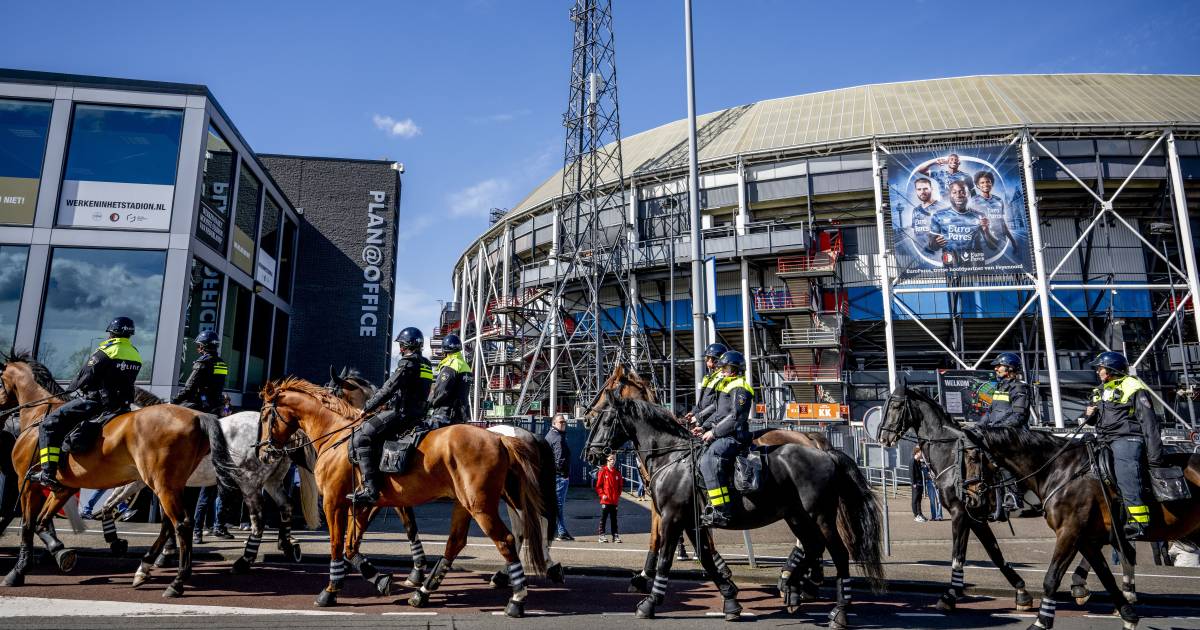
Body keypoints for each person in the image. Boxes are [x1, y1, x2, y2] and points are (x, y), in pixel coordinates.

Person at [29, 317, 141, 490]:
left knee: (48, 424)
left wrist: (71, 388)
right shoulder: (135, 353)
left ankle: (48, 472)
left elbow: (86, 374)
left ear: (112, 333)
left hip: (96, 402)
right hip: (122, 405)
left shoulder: (107, 350)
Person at [1079, 351, 1166, 541]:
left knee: (1126, 473)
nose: (1098, 371)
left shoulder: (1133, 385)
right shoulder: (1098, 391)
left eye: (1100, 368)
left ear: (1111, 370)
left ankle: (1138, 522)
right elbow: (1093, 420)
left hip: (1127, 439)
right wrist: (1089, 415)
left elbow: (1149, 423)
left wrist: (1155, 457)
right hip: (1103, 440)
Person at [346, 327, 434, 504]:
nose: (400, 348)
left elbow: (388, 388)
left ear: (406, 345)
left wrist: (367, 407)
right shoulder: (426, 364)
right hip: (417, 416)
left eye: (401, 344)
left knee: (361, 438)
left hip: (400, 414)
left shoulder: (407, 363)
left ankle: (370, 489)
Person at [172, 330, 233, 542]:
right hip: (216, 410)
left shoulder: (202, 363)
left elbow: (190, 388)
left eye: (199, 346)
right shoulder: (222, 363)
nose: (198, 348)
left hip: (199, 407)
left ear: (202, 347)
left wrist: (172, 402)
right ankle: (215, 526)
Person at [694, 350, 753, 528]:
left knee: (708, 460)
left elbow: (736, 417)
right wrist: (704, 427)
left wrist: (714, 433)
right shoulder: (726, 385)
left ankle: (722, 510)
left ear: (734, 369)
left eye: (725, 367)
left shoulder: (740, 387)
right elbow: (720, 414)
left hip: (735, 436)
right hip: (724, 433)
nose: (722, 370)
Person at [976, 351, 1030, 521]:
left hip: (1012, 433)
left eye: (999, 366)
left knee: (1002, 459)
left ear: (1010, 368)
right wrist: (977, 427)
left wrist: (996, 428)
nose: (996, 368)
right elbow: (990, 413)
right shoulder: (999, 388)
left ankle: (1015, 495)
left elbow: (1018, 415)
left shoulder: (1019, 387)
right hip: (995, 433)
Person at [927, 180, 999, 267]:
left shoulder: (980, 216)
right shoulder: (938, 216)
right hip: (951, 269)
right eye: (954, 192)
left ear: (968, 194)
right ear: (949, 195)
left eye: (962, 192)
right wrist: (936, 243)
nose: (958, 195)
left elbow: (993, 246)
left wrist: (986, 230)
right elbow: (932, 247)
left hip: (975, 269)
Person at [427, 334, 472, 428]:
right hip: (462, 416)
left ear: (445, 350)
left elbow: (441, 391)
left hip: (445, 415)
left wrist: (428, 404)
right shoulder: (465, 365)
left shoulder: (451, 365)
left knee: (421, 433)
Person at [683, 343, 728, 430]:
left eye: (707, 358)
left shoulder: (722, 378)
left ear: (716, 360)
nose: (705, 360)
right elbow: (702, 403)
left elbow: (717, 404)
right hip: (705, 420)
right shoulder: (708, 377)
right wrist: (693, 412)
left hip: (714, 423)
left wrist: (698, 417)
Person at [546, 413, 574, 541]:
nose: (563, 424)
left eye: (564, 422)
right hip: (559, 477)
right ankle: (559, 531)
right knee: (557, 505)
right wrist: (563, 474)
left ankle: (561, 531)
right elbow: (560, 459)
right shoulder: (558, 438)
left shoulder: (550, 435)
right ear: (554, 424)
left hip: (553, 476)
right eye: (561, 422)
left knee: (556, 505)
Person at [594, 453, 623, 543]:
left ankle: (615, 536)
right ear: (607, 460)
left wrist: (617, 496)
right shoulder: (603, 471)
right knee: (604, 518)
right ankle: (601, 535)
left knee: (614, 519)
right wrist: (602, 495)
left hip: (614, 501)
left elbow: (620, 487)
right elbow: (598, 486)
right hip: (605, 501)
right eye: (611, 459)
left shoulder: (617, 472)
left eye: (614, 459)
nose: (613, 461)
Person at [910, 446, 943, 522]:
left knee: (939, 500)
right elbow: (914, 472)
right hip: (929, 482)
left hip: (937, 482)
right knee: (932, 501)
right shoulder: (922, 461)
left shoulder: (936, 461)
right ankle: (933, 516)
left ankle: (939, 516)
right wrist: (914, 483)